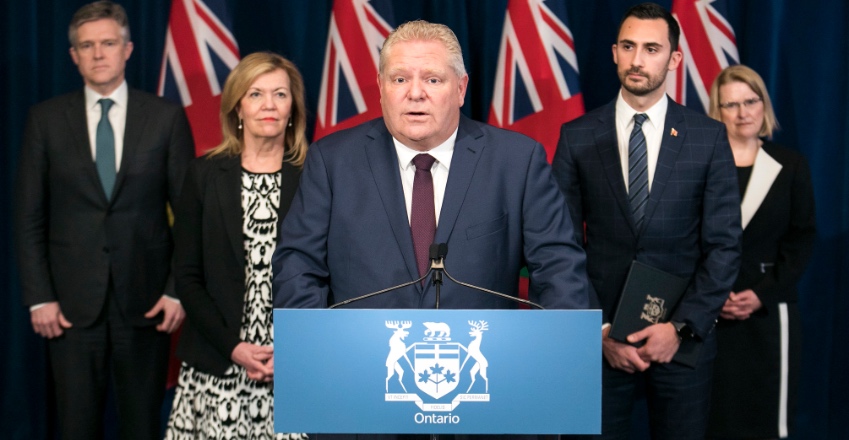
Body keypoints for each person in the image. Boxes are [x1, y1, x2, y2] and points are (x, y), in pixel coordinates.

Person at [272, 19, 590, 438]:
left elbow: (561, 271)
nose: (415, 93)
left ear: (460, 88)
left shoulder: (516, 161)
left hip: (489, 407)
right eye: (399, 78)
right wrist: (322, 359)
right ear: (381, 87)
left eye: (433, 79)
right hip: (359, 404)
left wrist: (553, 368)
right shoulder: (333, 161)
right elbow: (297, 268)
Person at [552, 3, 742, 439]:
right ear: (614, 52)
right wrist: (598, 330)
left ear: (674, 59)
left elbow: (725, 245)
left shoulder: (707, 137)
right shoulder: (577, 135)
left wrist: (679, 328)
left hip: (681, 341)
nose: (638, 60)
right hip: (601, 345)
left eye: (652, 48)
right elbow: (559, 246)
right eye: (629, 46)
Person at [12, 2, 194, 438]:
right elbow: (29, 216)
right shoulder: (46, 120)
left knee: (141, 428)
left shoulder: (165, 118)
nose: (98, 54)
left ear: (127, 49)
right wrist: (40, 297)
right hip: (70, 310)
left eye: (108, 43)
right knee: (76, 427)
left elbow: (190, 214)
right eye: (87, 46)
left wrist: (176, 290)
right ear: (73, 55)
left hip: (148, 304)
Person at [164, 52, 309, 440]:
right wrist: (234, 347)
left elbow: (331, 273)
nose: (269, 105)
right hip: (219, 360)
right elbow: (188, 276)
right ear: (237, 108)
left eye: (280, 94)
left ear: (293, 108)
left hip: (295, 364)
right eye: (256, 94)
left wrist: (293, 348)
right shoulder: (203, 175)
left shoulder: (315, 176)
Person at [705, 65, 816, 440]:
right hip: (712, 314)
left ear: (763, 103)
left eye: (750, 101)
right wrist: (711, 294)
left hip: (770, 312)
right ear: (716, 112)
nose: (743, 113)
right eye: (731, 105)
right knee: (715, 419)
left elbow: (802, 240)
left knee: (768, 421)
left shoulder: (790, 165)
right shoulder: (703, 167)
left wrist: (761, 294)